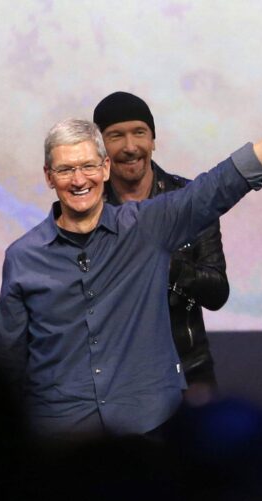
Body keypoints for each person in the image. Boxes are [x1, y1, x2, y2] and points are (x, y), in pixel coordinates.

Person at [0, 82, 262, 436]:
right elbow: (8, 358)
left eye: (88, 166)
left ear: (105, 168)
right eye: (66, 170)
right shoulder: (23, 257)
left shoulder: (146, 227)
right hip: (62, 433)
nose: (79, 179)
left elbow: (221, 184)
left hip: (148, 425)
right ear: (49, 177)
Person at [93, 92, 227, 395]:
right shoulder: (87, 207)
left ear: (153, 139)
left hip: (187, 371)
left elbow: (217, 292)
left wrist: (167, 264)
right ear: (100, 147)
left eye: (139, 133)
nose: (130, 146)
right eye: (116, 136)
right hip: (110, 379)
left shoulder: (190, 200)